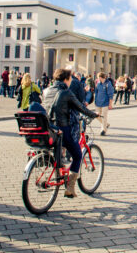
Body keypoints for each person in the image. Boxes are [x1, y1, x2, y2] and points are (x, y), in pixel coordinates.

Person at [42, 69, 99, 198]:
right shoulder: (66, 92)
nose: (70, 82)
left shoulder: (46, 91)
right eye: (70, 80)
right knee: (78, 155)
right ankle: (70, 188)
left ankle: (60, 170)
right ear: (66, 79)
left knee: (59, 153)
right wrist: (94, 114)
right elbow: (81, 107)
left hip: (49, 128)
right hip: (63, 129)